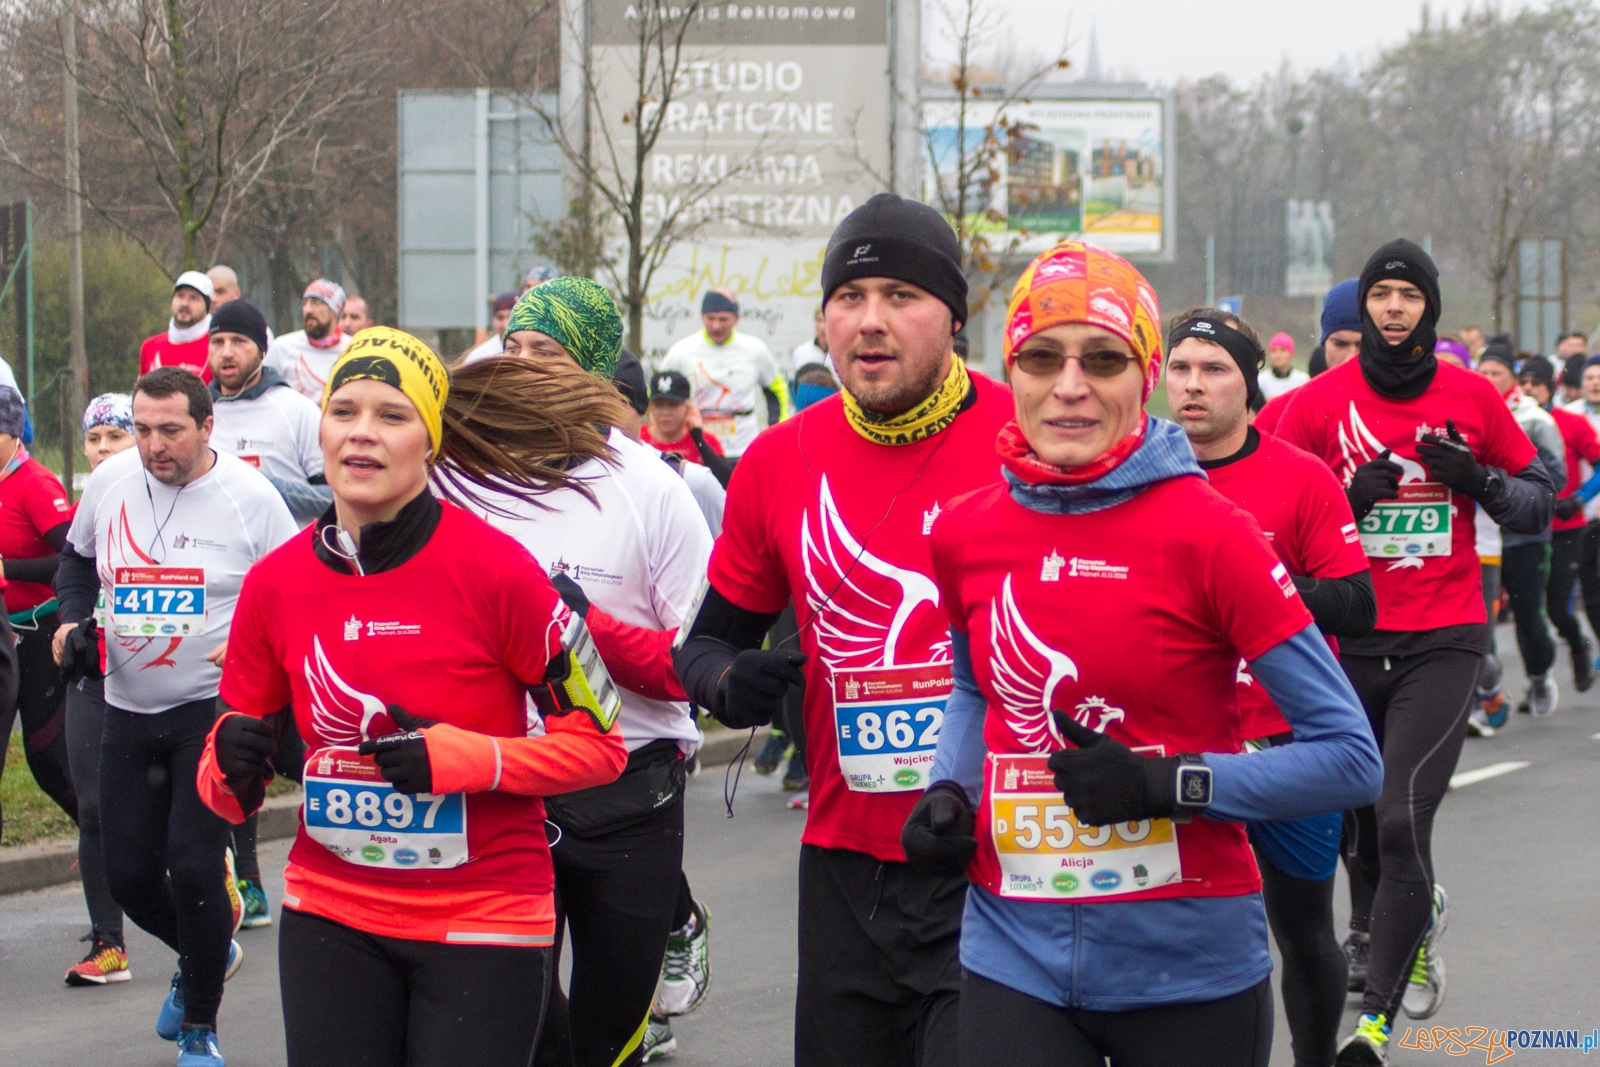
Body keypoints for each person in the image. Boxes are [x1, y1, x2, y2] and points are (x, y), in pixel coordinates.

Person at [902, 241, 1379, 1067]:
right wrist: (949, 785)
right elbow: (977, 689)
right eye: (1042, 357)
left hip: (1188, 964)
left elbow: (1349, 760)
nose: (1071, 385)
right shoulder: (966, 530)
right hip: (1013, 947)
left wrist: (1171, 783)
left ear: (1146, 373)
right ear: (1011, 371)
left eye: (1105, 358)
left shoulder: (1211, 532)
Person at [197, 328, 628, 1067]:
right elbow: (229, 793)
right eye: (345, 410)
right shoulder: (273, 584)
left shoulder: (500, 572)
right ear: (321, 427)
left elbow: (602, 747)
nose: (362, 432)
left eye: (392, 415)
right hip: (331, 909)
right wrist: (226, 763)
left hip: (484, 916)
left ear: (429, 440)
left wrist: (465, 758)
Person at [673, 193, 1014, 1067]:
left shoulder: (1027, 438)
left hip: (1000, 860)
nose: (871, 320)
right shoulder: (779, 460)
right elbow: (707, 644)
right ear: (824, 319)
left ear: (953, 315)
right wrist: (723, 682)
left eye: (900, 294)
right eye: (849, 297)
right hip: (845, 866)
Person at [1273, 240, 1554, 1064]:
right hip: (1348, 640)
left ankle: (1374, 1026)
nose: (1395, 308)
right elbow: (1262, 505)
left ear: (1429, 307)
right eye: (1382, 294)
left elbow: (1542, 501)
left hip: (1444, 636)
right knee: (1363, 831)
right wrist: (1340, 499)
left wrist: (1480, 482)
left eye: (1409, 295)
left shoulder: (1471, 395)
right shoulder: (1319, 403)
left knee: (1400, 818)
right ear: (1364, 308)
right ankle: (1406, 913)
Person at [53, 366, 299, 1067]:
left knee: (193, 866)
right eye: (142, 428)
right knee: (130, 877)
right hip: (125, 709)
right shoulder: (109, 482)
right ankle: (208, 950)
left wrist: (254, 645)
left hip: (208, 713)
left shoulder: (250, 497)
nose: (153, 445)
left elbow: (295, 591)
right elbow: (74, 565)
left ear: (207, 427)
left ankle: (199, 1027)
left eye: (171, 430)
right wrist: (72, 624)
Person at [1166, 306, 1376, 1067]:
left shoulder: (1299, 476)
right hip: (1175, 738)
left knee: (1303, 929)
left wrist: (1254, 588)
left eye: (1214, 369)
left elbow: (1358, 601)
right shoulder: (1133, 470)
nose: (1194, 385)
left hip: (1286, 746)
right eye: (1181, 368)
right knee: (1189, 930)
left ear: (1248, 385)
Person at [61, 395, 138, 986]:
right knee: (91, 808)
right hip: (98, 668)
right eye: (96, 439)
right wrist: (72, 619)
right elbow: (73, 565)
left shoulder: (201, 497)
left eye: (118, 435)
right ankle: (109, 943)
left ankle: (211, 874)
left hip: (172, 677)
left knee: (161, 809)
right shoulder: (98, 495)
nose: (106, 448)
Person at [0, 383, 76, 844]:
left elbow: (71, 558)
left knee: (48, 760)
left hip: (37, 630)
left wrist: (7, 569)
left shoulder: (34, 484)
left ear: (11, 433)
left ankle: (105, 837)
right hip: (1, 633)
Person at [1476, 345, 1566, 717]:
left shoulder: (1532, 418)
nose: (1489, 379)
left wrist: (1496, 488)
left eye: (1496, 372)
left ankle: (1541, 673)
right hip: (1480, 536)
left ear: (1511, 378)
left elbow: (1553, 477)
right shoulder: (1464, 412)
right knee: (1482, 622)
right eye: (1483, 371)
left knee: (1528, 615)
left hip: (1523, 534)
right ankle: (1488, 695)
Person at [208, 299, 331, 526]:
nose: (226, 352)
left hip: (285, 555)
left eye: (238, 341)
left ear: (262, 351)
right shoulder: (198, 415)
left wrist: (263, 486)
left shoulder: (298, 411)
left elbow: (335, 498)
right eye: (217, 342)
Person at [1522, 355, 1600, 697]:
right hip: (1523, 528)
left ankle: (1578, 644)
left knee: (1557, 608)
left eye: (1535, 384)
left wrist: (1578, 499)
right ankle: (1536, 680)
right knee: (1527, 610)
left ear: (1550, 387)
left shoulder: (1572, 422)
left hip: (1568, 527)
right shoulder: (1511, 421)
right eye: (1523, 383)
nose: (1528, 390)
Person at [657, 289, 790, 457]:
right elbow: (657, 395)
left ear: (736, 319)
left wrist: (775, 429)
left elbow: (777, 391)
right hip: (699, 449)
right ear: (701, 317)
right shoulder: (681, 352)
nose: (716, 326)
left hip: (743, 449)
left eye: (723, 319)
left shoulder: (756, 349)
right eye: (710, 318)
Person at [1255, 278, 1360, 434]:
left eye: (1362, 345)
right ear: (1324, 346)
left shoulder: (1404, 410)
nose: (1351, 357)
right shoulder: (1279, 411)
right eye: (1340, 344)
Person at [266, 280, 353, 402]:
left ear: (335, 310)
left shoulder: (352, 349)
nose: (308, 310)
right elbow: (264, 394)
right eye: (304, 303)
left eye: (316, 303)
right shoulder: (282, 347)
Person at [641, 369, 733, 483]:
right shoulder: (639, 437)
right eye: (659, 406)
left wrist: (698, 437)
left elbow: (726, 481)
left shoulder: (706, 440)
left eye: (673, 405)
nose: (665, 413)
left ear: (688, 407)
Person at [141, 272, 215, 380]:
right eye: (180, 295)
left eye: (193, 298)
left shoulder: (217, 346)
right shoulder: (150, 346)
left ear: (207, 306)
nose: (185, 303)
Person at [462, 291, 518, 364]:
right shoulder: (479, 357)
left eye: (512, 317)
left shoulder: (534, 351)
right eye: (500, 318)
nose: (506, 324)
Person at [1258, 331, 1308, 400]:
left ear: (1291, 354)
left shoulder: (1303, 380)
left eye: (1283, 350)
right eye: (1274, 351)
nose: (1278, 355)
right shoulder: (1261, 381)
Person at [792, 307, 832, 374]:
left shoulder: (843, 354)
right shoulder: (801, 353)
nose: (822, 326)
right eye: (819, 320)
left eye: (827, 320)